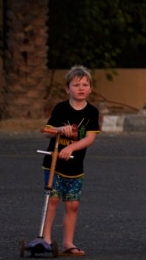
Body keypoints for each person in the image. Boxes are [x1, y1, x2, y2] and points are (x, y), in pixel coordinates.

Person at [40, 65, 100, 257]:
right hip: (54, 164)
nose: (81, 88)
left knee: (73, 204)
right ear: (68, 88)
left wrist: (71, 147)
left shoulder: (92, 112)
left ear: (90, 88)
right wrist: (59, 130)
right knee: (53, 199)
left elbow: (90, 139)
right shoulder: (60, 108)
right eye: (76, 85)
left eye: (85, 84)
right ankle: (46, 239)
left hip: (75, 166)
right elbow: (47, 132)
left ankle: (68, 242)